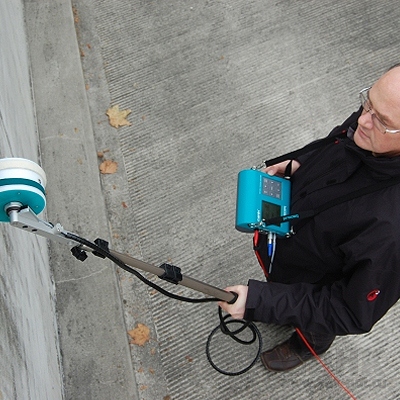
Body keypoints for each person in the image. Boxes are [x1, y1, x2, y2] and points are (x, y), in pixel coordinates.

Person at [218, 64, 400, 372]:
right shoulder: (370, 127)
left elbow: (350, 310)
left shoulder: (392, 232)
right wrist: (301, 162)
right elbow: (339, 139)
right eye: (367, 101)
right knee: (282, 291)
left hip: (319, 286)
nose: (363, 120)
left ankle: (308, 345)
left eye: (381, 120)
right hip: (293, 252)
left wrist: (263, 301)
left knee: (314, 325)